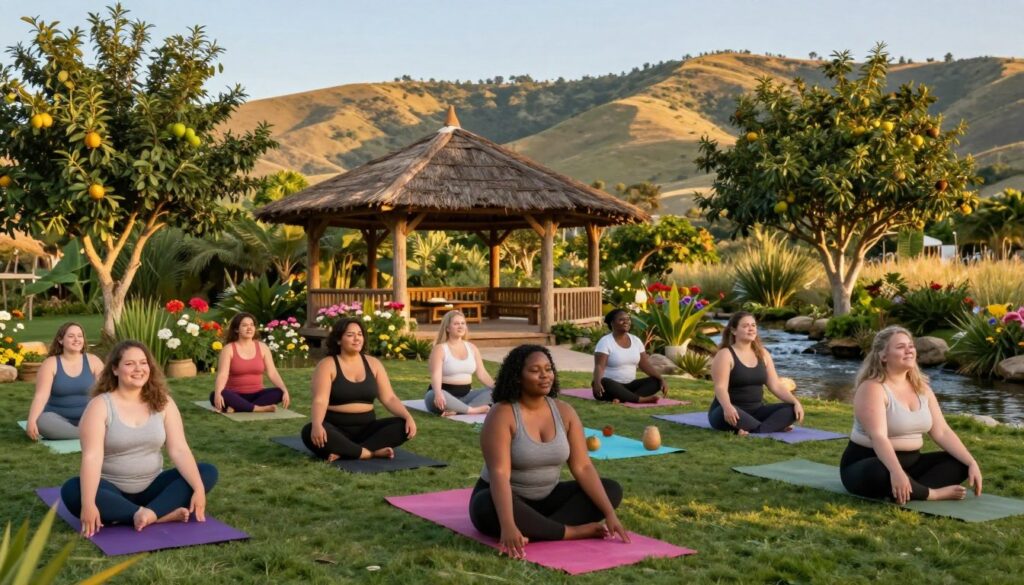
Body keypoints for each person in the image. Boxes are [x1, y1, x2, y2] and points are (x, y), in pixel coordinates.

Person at [469, 344, 629, 558]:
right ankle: (569, 532)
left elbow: (582, 466)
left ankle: (539, 529)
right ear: (517, 377)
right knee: (485, 505)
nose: (545, 375)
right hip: (506, 498)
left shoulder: (564, 411)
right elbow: (500, 473)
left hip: (547, 499)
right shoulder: (502, 413)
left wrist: (610, 514)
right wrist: (507, 525)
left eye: (548, 369)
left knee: (611, 490)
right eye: (535, 371)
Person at [60, 341, 218, 536]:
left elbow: (179, 449)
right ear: (115, 369)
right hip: (111, 490)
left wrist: (198, 489)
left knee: (206, 472)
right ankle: (157, 514)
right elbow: (92, 457)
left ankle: (143, 513)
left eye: (143, 363)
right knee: (72, 491)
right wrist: (89, 503)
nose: (138, 369)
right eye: (129, 364)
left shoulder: (163, 403)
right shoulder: (100, 406)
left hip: (153, 488)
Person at [840, 326, 982, 503]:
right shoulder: (872, 388)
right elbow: (879, 437)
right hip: (870, 463)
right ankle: (930, 493)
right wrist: (896, 472)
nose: (909, 350)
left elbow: (942, 431)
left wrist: (971, 462)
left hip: (912, 463)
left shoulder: (922, 388)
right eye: (900, 347)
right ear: (883, 356)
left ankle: (907, 489)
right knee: (880, 471)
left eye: (911, 346)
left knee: (959, 462)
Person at [301, 318, 417, 461]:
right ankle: (370, 453)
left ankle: (349, 451)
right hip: (335, 428)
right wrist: (317, 425)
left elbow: (389, 398)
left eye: (360, 334)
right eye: (350, 335)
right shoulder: (327, 364)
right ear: (338, 340)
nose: (357, 339)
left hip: (367, 429)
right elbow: (320, 400)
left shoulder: (374, 364)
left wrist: (408, 417)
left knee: (402, 426)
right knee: (309, 431)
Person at [708, 311, 804, 434]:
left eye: (753, 325)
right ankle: (769, 427)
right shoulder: (725, 355)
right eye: (745, 326)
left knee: (791, 410)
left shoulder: (763, 354)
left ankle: (753, 428)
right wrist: (728, 407)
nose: (751, 329)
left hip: (757, 412)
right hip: (728, 411)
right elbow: (720, 387)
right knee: (726, 413)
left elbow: (775, 385)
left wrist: (795, 402)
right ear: (733, 331)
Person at [25, 322, 105, 440]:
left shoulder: (94, 361)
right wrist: (31, 421)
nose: (76, 339)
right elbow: (41, 396)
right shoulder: (50, 363)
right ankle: (90, 434)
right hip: (58, 418)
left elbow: (105, 392)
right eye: (71, 336)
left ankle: (86, 431)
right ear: (61, 340)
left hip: (88, 416)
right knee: (42, 422)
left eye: (80, 336)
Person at [210, 312, 291, 413]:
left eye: (252, 325)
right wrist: (218, 393)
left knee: (279, 392)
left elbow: (272, 372)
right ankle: (257, 408)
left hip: (257, 394)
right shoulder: (229, 349)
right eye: (244, 325)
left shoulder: (263, 347)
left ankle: (237, 407)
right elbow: (223, 375)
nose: (249, 328)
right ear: (236, 329)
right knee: (216, 395)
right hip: (234, 394)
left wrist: (284, 389)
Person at [423, 310, 495, 416]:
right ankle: (472, 410)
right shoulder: (440, 349)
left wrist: (498, 388)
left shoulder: (472, 348)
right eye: (456, 324)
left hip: (466, 396)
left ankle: (457, 410)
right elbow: (436, 375)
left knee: (494, 392)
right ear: (447, 328)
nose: (460, 327)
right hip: (443, 396)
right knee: (432, 395)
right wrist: (438, 393)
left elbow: (482, 373)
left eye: (463, 323)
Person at [591, 308, 668, 404]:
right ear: (612, 323)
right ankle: (639, 399)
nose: (626, 322)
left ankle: (622, 398)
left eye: (628, 319)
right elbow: (599, 366)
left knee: (656, 381)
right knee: (604, 382)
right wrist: (597, 382)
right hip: (610, 386)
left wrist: (661, 379)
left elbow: (645, 364)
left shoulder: (636, 340)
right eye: (621, 319)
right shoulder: (605, 341)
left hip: (630, 385)